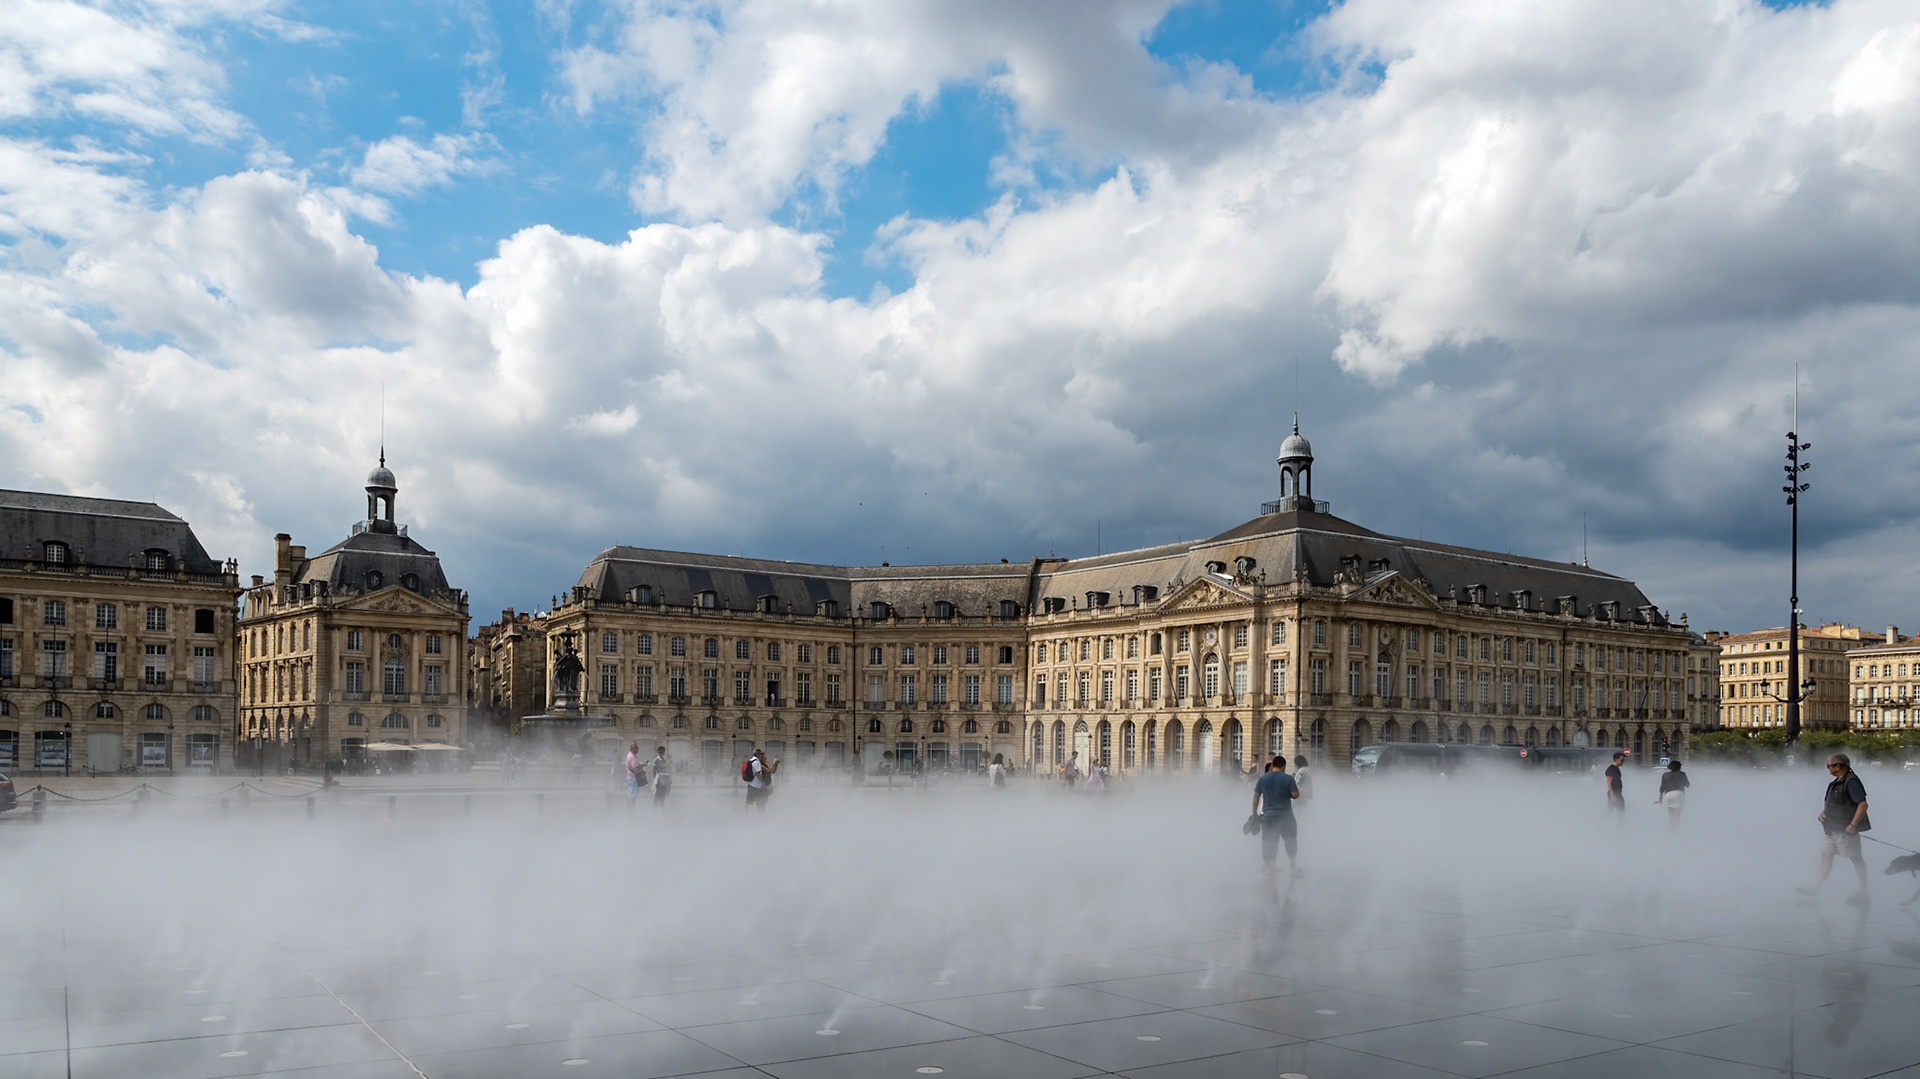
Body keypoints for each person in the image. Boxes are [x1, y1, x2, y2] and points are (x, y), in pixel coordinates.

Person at [1801, 753, 1871, 905]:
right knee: (1826, 856)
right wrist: (1824, 813)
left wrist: (1853, 824)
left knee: (1856, 859)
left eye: (1829, 766)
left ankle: (1863, 893)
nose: (1828, 769)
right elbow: (1837, 803)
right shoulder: (1837, 782)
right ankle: (1815, 888)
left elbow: (1862, 805)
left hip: (1845, 830)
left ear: (1838, 766)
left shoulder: (1851, 782)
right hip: (1831, 829)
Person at [1251, 754, 1301, 876]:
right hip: (1286, 816)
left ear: (1272, 766)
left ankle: (1270, 868)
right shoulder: (1288, 778)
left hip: (1269, 816)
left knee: (1269, 842)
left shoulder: (1263, 779)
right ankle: (1293, 867)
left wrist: (1254, 814)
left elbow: (1256, 797)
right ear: (1283, 766)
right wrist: (1288, 793)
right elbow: (1295, 794)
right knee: (1290, 841)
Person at [1656, 758, 1690, 828]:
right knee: (1677, 815)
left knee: (1671, 815)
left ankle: (1671, 830)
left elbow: (1662, 787)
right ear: (1679, 767)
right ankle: (1675, 831)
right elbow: (1688, 785)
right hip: (1678, 794)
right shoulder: (1682, 774)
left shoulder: (1665, 775)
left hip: (1669, 795)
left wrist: (1660, 798)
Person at [1604, 751, 1626, 816]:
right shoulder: (1611, 769)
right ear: (1616, 759)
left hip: (1618, 793)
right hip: (1614, 794)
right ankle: (1602, 824)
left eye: (1624, 760)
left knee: (1618, 811)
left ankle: (1619, 825)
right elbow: (1608, 782)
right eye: (1622, 760)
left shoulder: (1616, 769)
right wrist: (1613, 796)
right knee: (1611, 811)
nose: (1623, 762)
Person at [624, 742, 645, 809]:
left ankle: (629, 811)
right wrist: (643, 765)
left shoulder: (629, 755)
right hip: (633, 778)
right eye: (636, 749)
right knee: (633, 796)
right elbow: (635, 768)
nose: (638, 750)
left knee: (630, 796)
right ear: (633, 749)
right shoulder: (632, 757)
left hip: (630, 778)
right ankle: (631, 811)